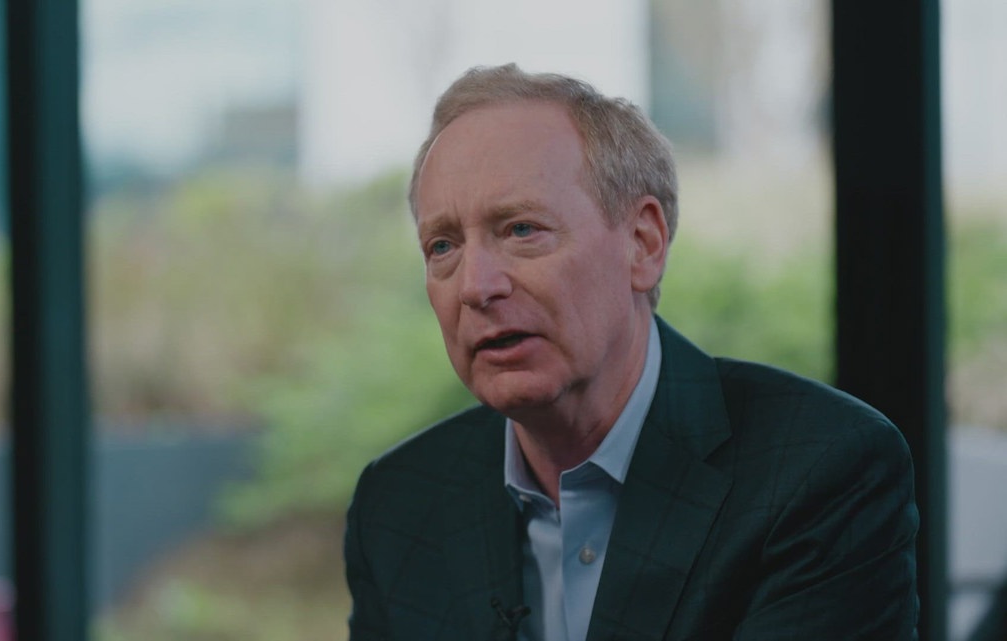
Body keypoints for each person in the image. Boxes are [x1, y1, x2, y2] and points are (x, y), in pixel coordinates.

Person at [344, 63, 919, 641]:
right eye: (443, 246)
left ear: (643, 244)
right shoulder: (398, 503)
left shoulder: (819, 471)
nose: (475, 286)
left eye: (520, 230)